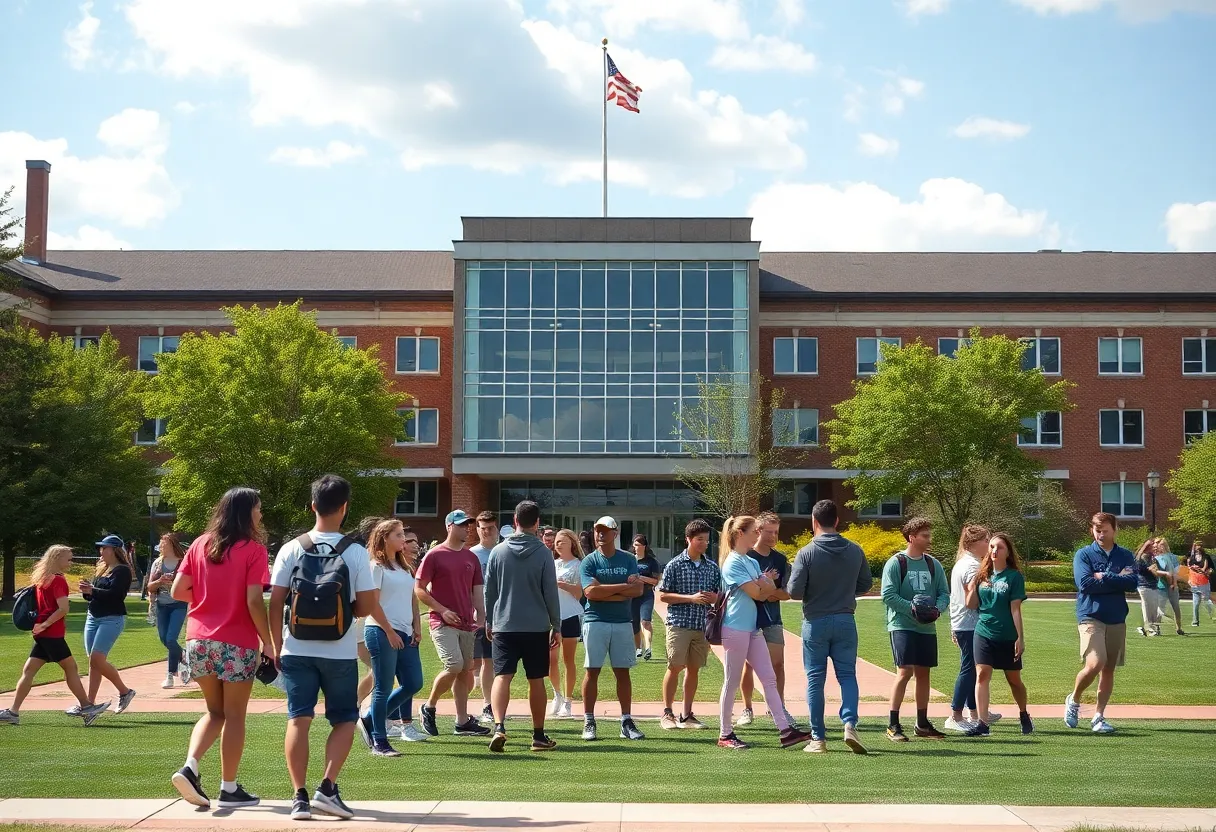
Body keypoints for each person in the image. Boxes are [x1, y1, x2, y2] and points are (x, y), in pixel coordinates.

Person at [269, 474, 378, 820]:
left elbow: (276, 603)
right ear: (344, 508)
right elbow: (364, 607)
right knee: (345, 719)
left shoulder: (291, 547)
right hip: (339, 649)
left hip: (296, 647)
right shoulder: (356, 552)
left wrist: (274, 645)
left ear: (313, 505)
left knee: (298, 718)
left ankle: (299, 797)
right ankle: (327, 787)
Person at [169, 487, 273, 810]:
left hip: (198, 640)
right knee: (235, 716)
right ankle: (228, 787)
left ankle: (190, 766)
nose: (260, 514)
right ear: (246, 513)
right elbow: (254, 600)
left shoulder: (200, 544)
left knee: (215, 713)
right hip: (236, 642)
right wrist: (268, 642)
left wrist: (207, 600)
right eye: (257, 509)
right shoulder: (254, 550)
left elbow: (177, 590)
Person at [716, 516, 813, 751]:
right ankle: (725, 734)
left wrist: (764, 585)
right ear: (741, 534)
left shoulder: (749, 561)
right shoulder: (733, 563)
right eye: (753, 532)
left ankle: (785, 731)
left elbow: (768, 588)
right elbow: (759, 593)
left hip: (751, 628)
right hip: (735, 628)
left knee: (769, 678)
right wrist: (764, 585)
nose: (757, 535)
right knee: (731, 680)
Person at [787, 499, 872, 754]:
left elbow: (793, 591)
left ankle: (818, 738)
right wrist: (845, 593)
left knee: (815, 678)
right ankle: (849, 723)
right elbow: (865, 583)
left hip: (815, 620)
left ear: (814, 522)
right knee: (847, 675)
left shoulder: (806, 552)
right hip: (845, 618)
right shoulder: (855, 550)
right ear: (836, 520)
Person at [0, 546, 110, 727]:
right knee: (70, 668)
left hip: (42, 634)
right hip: (51, 633)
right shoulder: (58, 580)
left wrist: (41, 625)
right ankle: (86, 707)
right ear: (56, 558)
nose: (71, 561)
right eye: (68, 558)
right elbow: (63, 609)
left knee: (29, 671)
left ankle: (13, 711)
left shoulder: (42, 578)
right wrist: (45, 624)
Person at [483, 500, 562, 752]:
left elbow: (489, 591)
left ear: (515, 521)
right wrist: (556, 625)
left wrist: (489, 619)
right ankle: (538, 736)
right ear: (537, 523)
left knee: (502, 676)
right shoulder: (543, 553)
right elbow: (550, 592)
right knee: (536, 679)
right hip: (536, 626)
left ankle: (499, 727)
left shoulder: (497, 551)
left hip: (504, 624)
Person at [415, 510, 491, 739]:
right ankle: (428, 707)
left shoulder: (471, 557)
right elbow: (419, 589)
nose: (466, 529)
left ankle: (462, 721)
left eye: (468, 525)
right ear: (449, 526)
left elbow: (477, 590)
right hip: (442, 621)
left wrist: (482, 615)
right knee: (455, 665)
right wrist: (442, 610)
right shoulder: (434, 555)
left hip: (466, 623)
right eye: (461, 525)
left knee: (465, 672)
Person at [357, 520, 426, 756]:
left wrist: (416, 627)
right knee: (383, 687)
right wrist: (388, 630)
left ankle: (370, 719)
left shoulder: (404, 566)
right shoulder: (376, 566)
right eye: (398, 535)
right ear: (385, 538)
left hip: (406, 633)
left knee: (414, 682)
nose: (403, 540)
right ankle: (379, 740)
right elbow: (371, 604)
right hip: (380, 631)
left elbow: (412, 599)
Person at [1066, 512, 1138, 734]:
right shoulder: (1084, 554)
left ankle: (1099, 716)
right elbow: (1085, 583)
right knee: (1095, 662)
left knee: (1108, 669)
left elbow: (1133, 582)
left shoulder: (1125, 555)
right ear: (1092, 530)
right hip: (1090, 615)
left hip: (1116, 617)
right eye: (1097, 530)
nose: (1101, 534)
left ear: (1115, 530)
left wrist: (1104, 576)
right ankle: (1074, 699)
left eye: (1105, 530)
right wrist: (1116, 578)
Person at [880, 517, 949, 742]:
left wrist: (936, 610)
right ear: (912, 537)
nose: (929, 539)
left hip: (926, 628)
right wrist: (912, 608)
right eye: (925, 536)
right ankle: (893, 724)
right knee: (904, 672)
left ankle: (922, 723)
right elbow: (888, 595)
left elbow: (943, 593)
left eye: (929, 535)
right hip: (902, 625)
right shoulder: (896, 562)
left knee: (923, 673)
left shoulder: (932, 564)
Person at [579, 516, 645, 742]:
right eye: (598, 530)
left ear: (615, 534)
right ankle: (589, 720)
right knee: (592, 670)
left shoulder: (628, 559)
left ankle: (626, 721)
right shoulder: (589, 561)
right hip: (594, 620)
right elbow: (590, 593)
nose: (600, 534)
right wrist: (622, 589)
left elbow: (638, 591)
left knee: (622, 671)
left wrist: (604, 590)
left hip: (622, 622)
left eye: (605, 531)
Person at [963, 532, 1032, 737]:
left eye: (999, 547)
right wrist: (973, 585)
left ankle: (1023, 713)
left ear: (1008, 552)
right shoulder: (982, 575)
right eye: (991, 546)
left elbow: (1015, 609)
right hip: (983, 632)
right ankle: (982, 723)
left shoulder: (1014, 577)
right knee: (982, 675)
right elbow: (970, 604)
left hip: (1007, 635)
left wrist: (1020, 637)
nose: (994, 550)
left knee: (1014, 681)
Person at [657, 519, 720, 731]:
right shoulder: (674, 564)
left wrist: (715, 597)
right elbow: (663, 595)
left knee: (694, 669)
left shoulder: (711, 567)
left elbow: (719, 596)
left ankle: (687, 714)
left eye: (707, 540)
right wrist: (690, 598)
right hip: (679, 624)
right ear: (688, 540)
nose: (704, 543)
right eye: (700, 539)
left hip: (702, 625)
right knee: (674, 667)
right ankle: (667, 713)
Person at [739, 511, 794, 729]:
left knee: (777, 665)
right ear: (758, 531)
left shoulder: (780, 559)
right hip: (749, 618)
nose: (773, 536)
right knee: (749, 665)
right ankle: (747, 708)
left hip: (773, 619)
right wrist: (767, 590)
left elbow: (786, 592)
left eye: (776, 532)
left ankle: (777, 707)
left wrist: (765, 591)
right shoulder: (746, 558)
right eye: (769, 532)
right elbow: (746, 591)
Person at [80, 534, 137, 715]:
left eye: (105, 548)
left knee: (97, 659)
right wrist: (87, 591)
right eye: (101, 547)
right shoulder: (102, 568)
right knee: (93, 662)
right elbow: (94, 595)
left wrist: (93, 590)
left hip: (111, 618)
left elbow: (115, 595)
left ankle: (125, 691)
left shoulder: (122, 571)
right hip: (93, 617)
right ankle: (90, 704)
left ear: (114, 550)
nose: (101, 551)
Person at [946, 525, 990, 732]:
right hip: (970, 624)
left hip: (963, 623)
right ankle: (955, 714)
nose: (988, 546)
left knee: (973, 668)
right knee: (969, 668)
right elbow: (971, 601)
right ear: (972, 543)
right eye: (985, 541)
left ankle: (974, 712)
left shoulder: (964, 563)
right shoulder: (972, 567)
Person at [147, 533, 191, 690]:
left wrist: (175, 583)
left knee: (171, 639)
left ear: (172, 544)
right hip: (161, 605)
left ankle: (170, 675)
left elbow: (191, 585)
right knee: (164, 639)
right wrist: (160, 581)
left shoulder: (183, 563)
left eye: (163, 544)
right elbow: (149, 587)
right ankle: (184, 655)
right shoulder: (158, 563)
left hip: (178, 604)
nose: (161, 547)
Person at [548, 528, 584, 718]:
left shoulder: (579, 565)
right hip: (551, 617)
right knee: (550, 660)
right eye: (556, 541)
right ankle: (557, 695)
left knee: (568, 660)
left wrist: (564, 585)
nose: (558, 543)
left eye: (562, 540)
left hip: (570, 615)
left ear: (572, 542)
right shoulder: (551, 564)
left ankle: (568, 701)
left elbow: (580, 594)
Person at [351, 516, 385, 712]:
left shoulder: (375, 558)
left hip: (371, 621)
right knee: (379, 669)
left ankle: (357, 705)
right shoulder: (365, 558)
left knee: (379, 670)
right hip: (361, 622)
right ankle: (356, 706)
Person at [469, 511, 499, 724]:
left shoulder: (505, 551)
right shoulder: (471, 554)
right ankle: (488, 704)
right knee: (480, 663)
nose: (486, 532)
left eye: (490, 528)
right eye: (482, 528)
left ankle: (495, 704)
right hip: (479, 616)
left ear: (497, 528)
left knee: (498, 663)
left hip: (504, 616)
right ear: (477, 529)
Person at [631, 534, 660, 661]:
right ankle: (638, 649)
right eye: (635, 545)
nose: (636, 547)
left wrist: (640, 577)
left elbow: (655, 581)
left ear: (644, 546)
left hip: (646, 594)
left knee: (645, 621)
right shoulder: (630, 560)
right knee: (634, 624)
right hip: (632, 595)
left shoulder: (651, 562)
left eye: (639, 545)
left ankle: (648, 648)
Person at [1133, 540, 1166, 638]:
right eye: (1153, 546)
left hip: (1153, 585)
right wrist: (1148, 569)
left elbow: (1159, 569)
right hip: (1144, 585)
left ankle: (1149, 628)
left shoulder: (1153, 558)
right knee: (1147, 608)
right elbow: (1137, 566)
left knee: (1154, 609)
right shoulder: (1142, 557)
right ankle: (1149, 629)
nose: (1155, 548)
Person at [1154, 538, 1186, 636]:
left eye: (1160, 545)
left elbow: (1175, 573)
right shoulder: (1156, 558)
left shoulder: (1172, 557)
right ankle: (1157, 628)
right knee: (1160, 608)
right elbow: (1157, 572)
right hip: (1161, 586)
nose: (1158, 547)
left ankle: (1179, 627)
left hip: (1172, 586)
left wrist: (1174, 584)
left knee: (1176, 607)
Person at [1188, 541, 1215, 627]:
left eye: (1199, 546)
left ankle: (1213, 615)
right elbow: (1189, 569)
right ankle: (1195, 621)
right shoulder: (1192, 558)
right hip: (1194, 583)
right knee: (1195, 603)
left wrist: (1208, 571)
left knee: (1206, 601)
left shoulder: (1206, 557)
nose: (1198, 548)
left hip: (1204, 583)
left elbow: (1212, 569)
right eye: (1196, 546)